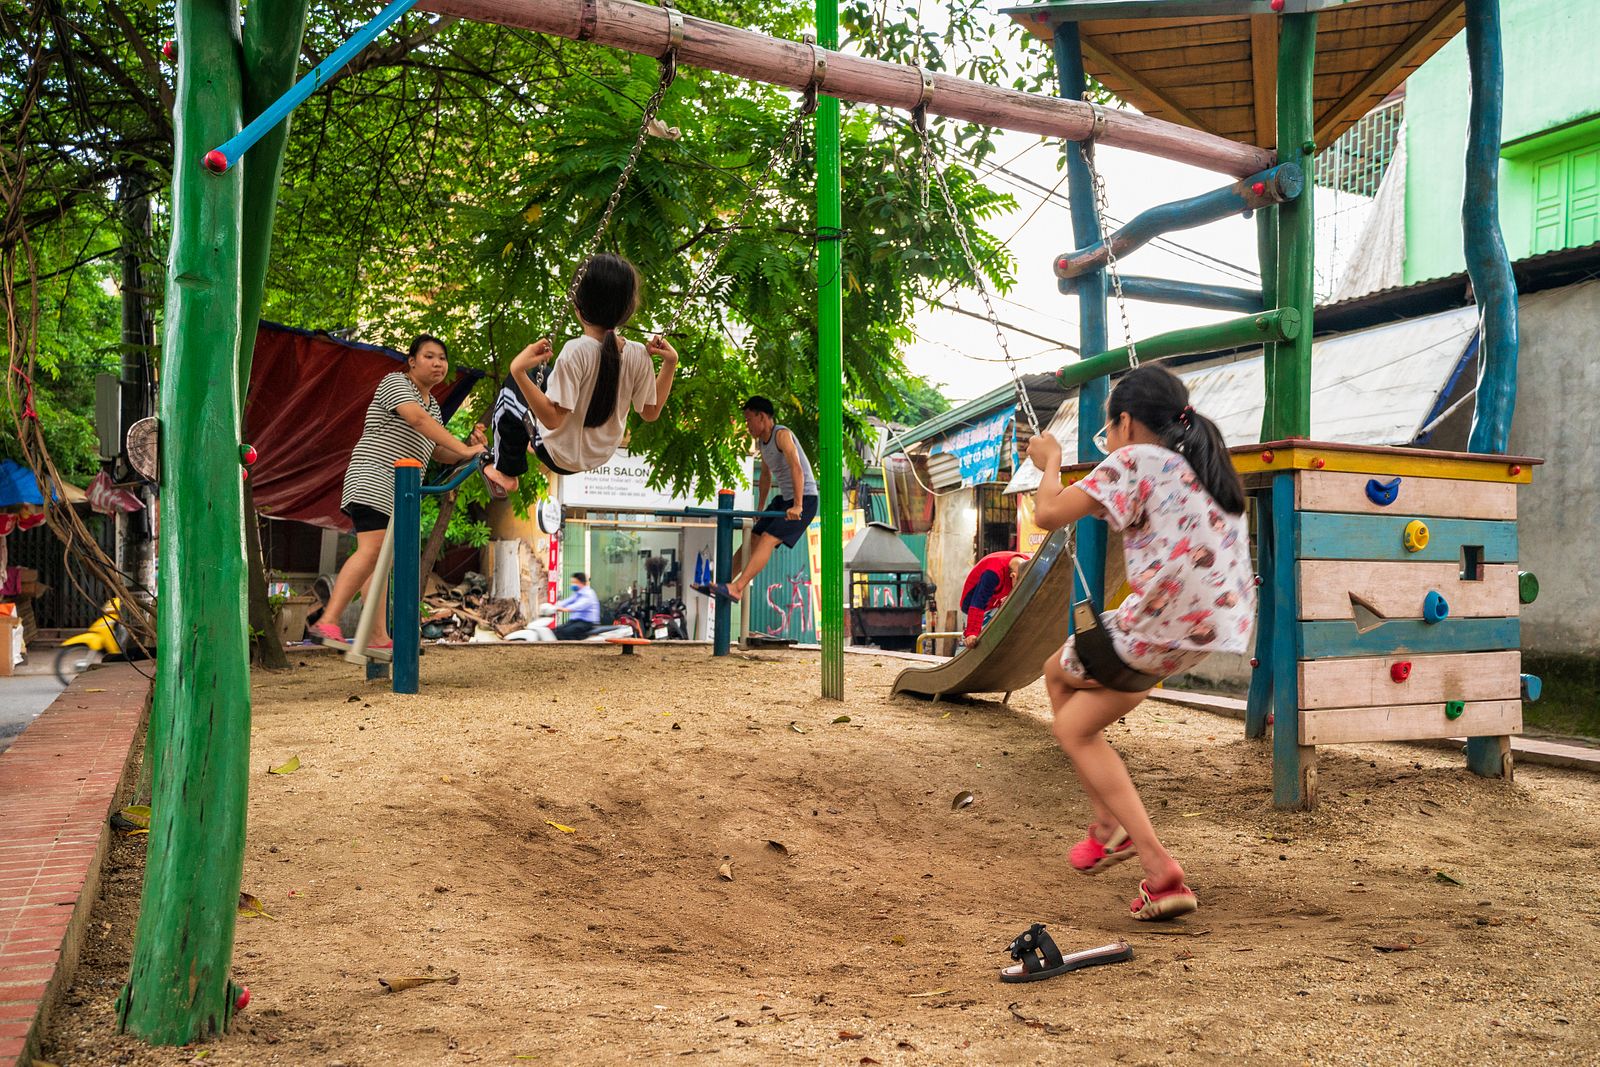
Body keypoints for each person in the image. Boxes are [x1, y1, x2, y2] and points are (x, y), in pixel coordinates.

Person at [1017, 364, 1253, 931]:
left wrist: (1048, 460)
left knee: (1063, 701)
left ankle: (1129, 840)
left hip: (1157, 627)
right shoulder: (1203, 466)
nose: (1110, 444)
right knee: (1072, 697)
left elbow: (1048, 513)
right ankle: (1125, 839)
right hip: (1208, 633)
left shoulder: (1133, 461)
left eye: (1109, 432)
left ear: (1124, 423)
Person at [313, 335, 486, 649]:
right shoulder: (396, 383)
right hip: (374, 475)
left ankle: (376, 635)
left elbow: (436, 452)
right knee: (371, 552)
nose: (438, 363)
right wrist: (463, 446)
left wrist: (470, 451)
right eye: (429, 356)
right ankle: (328, 620)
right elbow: (416, 420)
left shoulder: (432, 404)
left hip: (398, 488)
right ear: (412, 361)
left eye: (442, 358)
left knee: (378, 561)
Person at [481, 253, 678, 495]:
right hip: (598, 454)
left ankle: (505, 471)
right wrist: (670, 364)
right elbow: (651, 412)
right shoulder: (638, 353)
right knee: (546, 377)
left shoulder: (576, 351)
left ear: (577, 306)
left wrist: (518, 370)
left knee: (512, 390)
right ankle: (534, 441)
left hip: (560, 455)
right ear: (628, 308)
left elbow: (553, 419)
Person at [700, 396, 817, 602]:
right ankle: (722, 582)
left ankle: (737, 588)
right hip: (784, 499)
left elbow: (796, 467)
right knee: (753, 537)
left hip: (804, 500)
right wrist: (760, 509)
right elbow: (765, 476)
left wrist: (798, 504)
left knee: (767, 539)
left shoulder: (782, 435)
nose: (747, 425)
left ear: (761, 417)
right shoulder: (763, 443)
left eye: (748, 420)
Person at [958, 550, 1029, 648]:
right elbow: (978, 602)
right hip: (972, 604)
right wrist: (971, 633)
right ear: (1013, 576)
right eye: (1018, 586)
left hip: (994, 601)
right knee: (974, 642)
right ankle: (962, 650)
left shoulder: (1027, 565)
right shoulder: (993, 572)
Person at [553, 572, 603, 640]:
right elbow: (567, 601)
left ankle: (572, 650)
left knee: (565, 632)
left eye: (575, 582)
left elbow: (579, 606)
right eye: (572, 582)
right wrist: (554, 606)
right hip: (575, 622)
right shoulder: (577, 593)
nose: (572, 584)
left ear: (581, 582)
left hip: (587, 623)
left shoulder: (589, 594)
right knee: (556, 631)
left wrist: (564, 609)